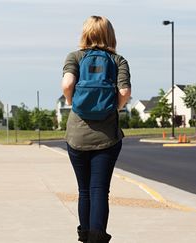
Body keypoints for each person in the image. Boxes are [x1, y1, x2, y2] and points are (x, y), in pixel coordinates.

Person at [61, 16, 131, 243]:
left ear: (85, 33)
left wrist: (73, 103)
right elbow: (124, 92)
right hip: (107, 136)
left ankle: (84, 235)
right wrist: (114, 108)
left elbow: (67, 84)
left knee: (84, 190)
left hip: (77, 134)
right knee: (100, 189)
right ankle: (97, 238)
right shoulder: (118, 60)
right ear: (110, 35)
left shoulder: (75, 57)